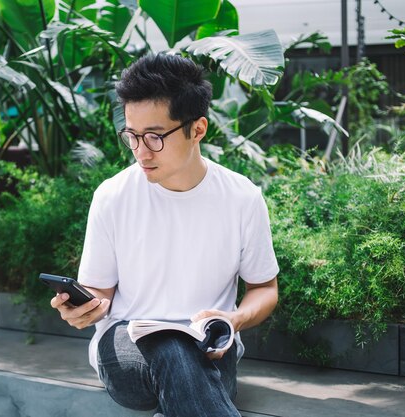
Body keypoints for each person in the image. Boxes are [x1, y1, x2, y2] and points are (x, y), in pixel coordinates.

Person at [50, 53, 279, 417]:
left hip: (210, 347)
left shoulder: (241, 197)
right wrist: (83, 309)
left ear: (198, 129)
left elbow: (264, 289)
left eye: (154, 137)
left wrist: (232, 321)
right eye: (132, 136)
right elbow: (100, 294)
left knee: (182, 357)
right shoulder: (113, 196)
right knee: (170, 345)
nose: (140, 151)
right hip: (127, 348)